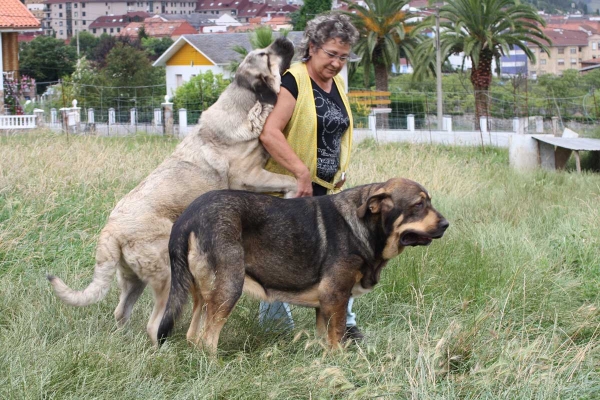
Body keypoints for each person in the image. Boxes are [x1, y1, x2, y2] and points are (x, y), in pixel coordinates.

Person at [258, 12, 363, 342]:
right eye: (331, 54)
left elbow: (336, 133)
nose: (336, 63)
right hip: (294, 194)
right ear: (313, 48)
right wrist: (301, 172)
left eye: (343, 57)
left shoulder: (338, 86)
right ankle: (276, 334)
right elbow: (270, 133)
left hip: (327, 194)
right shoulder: (295, 80)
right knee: (283, 263)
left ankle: (342, 327)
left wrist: (338, 170)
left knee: (335, 262)